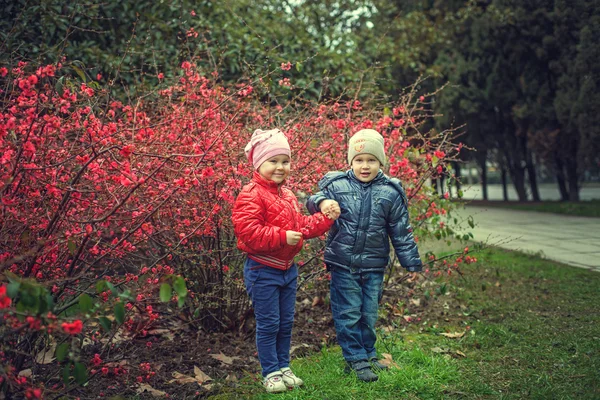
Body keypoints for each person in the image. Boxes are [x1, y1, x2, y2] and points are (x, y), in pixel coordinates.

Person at [306, 129, 422, 382]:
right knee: (348, 313)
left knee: (369, 314)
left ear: (381, 162)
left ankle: (368, 354)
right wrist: (323, 203)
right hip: (343, 263)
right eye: (359, 160)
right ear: (350, 162)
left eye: (371, 160)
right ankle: (355, 359)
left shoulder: (391, 192)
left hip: (373, 265)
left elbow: (400, 230)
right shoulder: (336, 185)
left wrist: (410, 263)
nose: (365, 165)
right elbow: (311, 200)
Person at [232, 128, 341, 393]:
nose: (280, 167)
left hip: (287, 270)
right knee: (269, 323)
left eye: (285, 161)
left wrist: (326, 218)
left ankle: (284, 366)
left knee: (286, 322)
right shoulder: (251, 193)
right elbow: (247, 232)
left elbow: (301, 226)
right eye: (273, 161)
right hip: (262, 269)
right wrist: (281, 236)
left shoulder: (288, 195)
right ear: (259, 164)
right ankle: (270, 372)